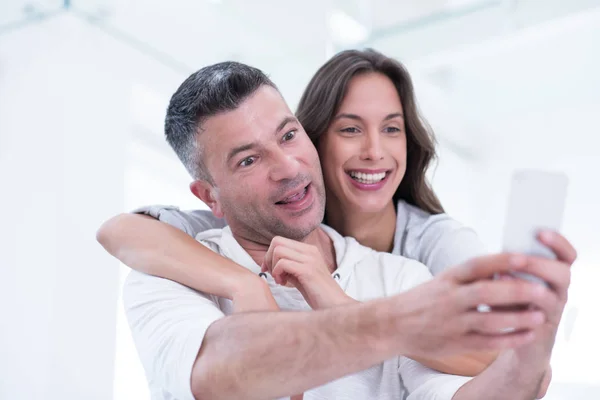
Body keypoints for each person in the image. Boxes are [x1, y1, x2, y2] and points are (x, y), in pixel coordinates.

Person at [100, 60, 575, 400]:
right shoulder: (164, 276)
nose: (288, 167)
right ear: (209, 198)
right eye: (248, 159)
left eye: (288, 135)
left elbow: (461, 388)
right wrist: (246, 287)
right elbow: (217, 375)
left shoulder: (406, 272)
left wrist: (528, 359)